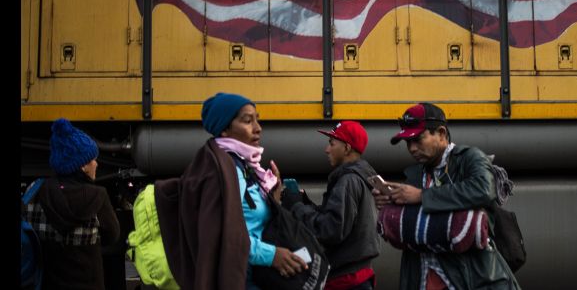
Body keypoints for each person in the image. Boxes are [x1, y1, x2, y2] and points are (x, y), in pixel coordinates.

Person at [154, 92, 308, 289]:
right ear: (224, 129)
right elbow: (224, 237)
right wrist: (273, 256)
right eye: (247, 121)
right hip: (241, 278)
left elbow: (246, 221)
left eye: (257, 120)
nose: (258, 128)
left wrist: (273, 198)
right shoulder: (224, 172)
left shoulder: (239, 166)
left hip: (251, 273)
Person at [374, 103, 521, 290]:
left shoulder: (470, 158)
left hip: (471, 278)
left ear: (442, 133)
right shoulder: (415, 174)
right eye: (407, 142)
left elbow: (484, 189)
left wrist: (422, 195)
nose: (411, 148)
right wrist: (390, 201)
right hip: (423, 277)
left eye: (418, 139)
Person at [21, 118, 120, 290]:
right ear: (82, 166)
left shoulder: (35, 190)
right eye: (93, 159)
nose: (96, 163)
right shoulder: (98, 196)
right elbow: (112, 236)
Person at [282, 121, 380, 290]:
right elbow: (339, 220)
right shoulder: (362, 178)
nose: (326, 150)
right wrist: (305, 202)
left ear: (347, 148)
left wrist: (296, 206)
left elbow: (330, 230)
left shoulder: (348, 180)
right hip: (358, 276)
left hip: (347, 281)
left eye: (332, 143)